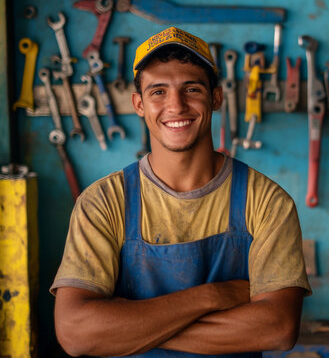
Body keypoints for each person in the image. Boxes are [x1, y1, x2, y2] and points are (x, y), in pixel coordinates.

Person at [51, 26, 311, 357]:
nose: (176, 105)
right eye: (158, 91)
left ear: (216, 98)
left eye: (191, 89)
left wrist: (126, 328)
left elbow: (278, 329)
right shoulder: (104, 202)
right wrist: (211, 297)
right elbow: (76, 333)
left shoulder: (265, 201)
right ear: (139, 104)